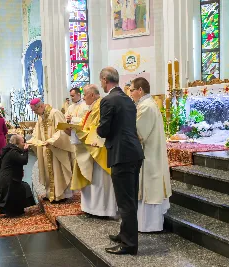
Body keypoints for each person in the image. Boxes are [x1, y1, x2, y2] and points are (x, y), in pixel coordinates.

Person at [97, 67, 144, 255]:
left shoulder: (108, 100)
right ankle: (125, 234)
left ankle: (129, 244)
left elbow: (104, 130)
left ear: (104, 79)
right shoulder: (128, 99)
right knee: (130, 199)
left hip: (121, 155)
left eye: (101, 80)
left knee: (125, 202)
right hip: (134, 153)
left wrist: (99, 129)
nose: (101, 83)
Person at [66, 84, 117, 217]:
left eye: (85, 94)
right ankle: (91, 208)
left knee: (99, 181)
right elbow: (85, 123)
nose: (83, 97)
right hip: (91, 147)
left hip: (98, 149)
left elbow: (96, 127)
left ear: (92, 95)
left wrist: (76, 127)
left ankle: (102, 209)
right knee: (93, 180)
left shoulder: (100, 106)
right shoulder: (93, 107)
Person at [129, 77, 172, 232]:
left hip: (149, 155)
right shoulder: (146, 104)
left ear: (140, 90)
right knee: (148, 188)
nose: (131, 93)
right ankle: (144, 224)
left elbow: (139, 133)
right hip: (149, 153)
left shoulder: (146, 107)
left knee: (149, 189)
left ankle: (149, 225)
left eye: (132, 90)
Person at [28, 98, 73, 202]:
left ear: (41, 106)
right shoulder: (40, 117)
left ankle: (61, 195)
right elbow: (36, 132)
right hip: (46, 148)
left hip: (57, 148)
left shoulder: (55, 113)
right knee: (48, 171)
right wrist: (31, 141)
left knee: (58, 171)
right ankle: (50, 193)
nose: (35, 113)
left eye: (35, 110)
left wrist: (51, 141)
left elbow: (62, 130)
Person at [0, 135, 35, 219]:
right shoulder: (13, 152)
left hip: (8, 179)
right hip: (9, 180)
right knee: (9, 203)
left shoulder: (10, 150)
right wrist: (26, 150)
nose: (24, 144)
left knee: (18, 210)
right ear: (17, 143)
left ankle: (13, 208)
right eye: (23, 142)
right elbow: (24, 161)